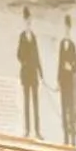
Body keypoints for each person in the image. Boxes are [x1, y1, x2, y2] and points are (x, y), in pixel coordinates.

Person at [15, 7, 43, 138]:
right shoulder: (22, 37)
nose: (28, 24)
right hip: (26, 74)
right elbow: (18, 55)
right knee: (27, 103)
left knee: (36, 103)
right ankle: (27, 130)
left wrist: (41, 73)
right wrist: (25, 61)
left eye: (30, 22)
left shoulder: (34, 37)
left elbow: (37, 56)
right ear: (24, 22)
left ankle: (37, 131)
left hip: (34, 75)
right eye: (27, 22)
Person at [57, 15, 76, 147]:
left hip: (70, 83)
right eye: (65, 28)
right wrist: (58, 81)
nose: (66, 31)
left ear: (70, 30)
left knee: (70, 110)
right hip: (63, 82)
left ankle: (73, 139)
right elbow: (59, 64)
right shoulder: (61, 44)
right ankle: (66, 138)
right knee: (63, 109)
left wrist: (71, 67)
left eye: (68, 29)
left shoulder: (72, 45)